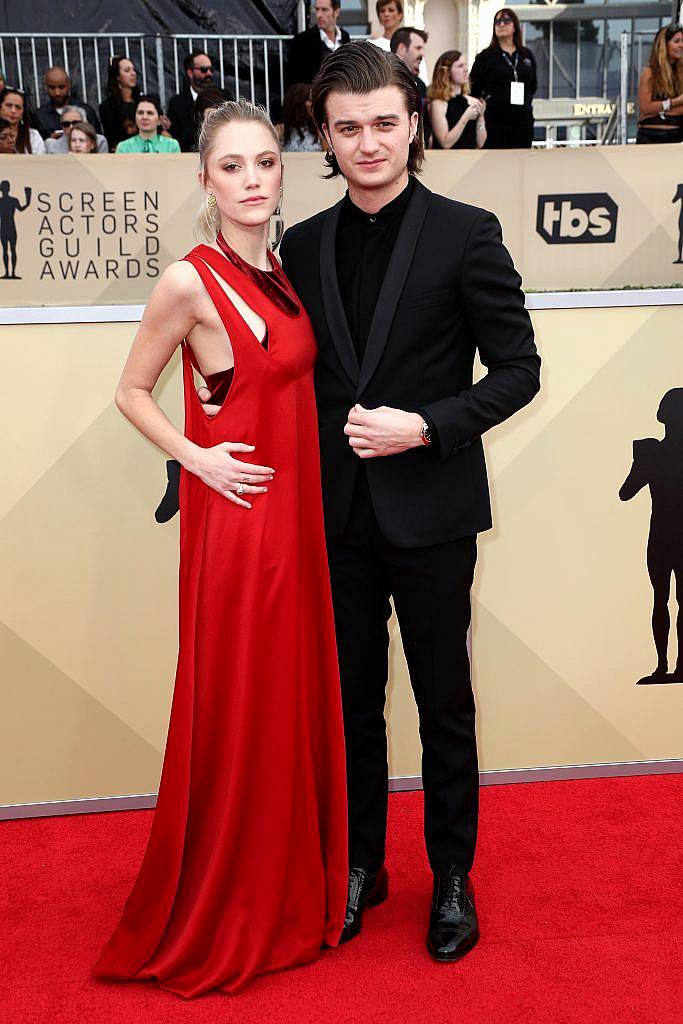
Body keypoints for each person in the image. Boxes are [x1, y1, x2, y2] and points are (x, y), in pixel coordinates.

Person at [249, 43, 537, 961]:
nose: (367, 142)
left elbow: (520, 371)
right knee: (350, 707)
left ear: (413, 124)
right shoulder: (301, 244)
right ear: (324, 139)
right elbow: (282, 374)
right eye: (347, 129)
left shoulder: (467, 230)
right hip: (330, 518)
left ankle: (451, 876)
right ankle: (357, 867)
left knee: (444, 701)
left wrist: (428, 426)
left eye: (383, 123)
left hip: (431, 510)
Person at [91, 99, 348, 997]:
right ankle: (231, 903)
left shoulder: (280, 266)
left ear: (283, 173)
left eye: (266, 163)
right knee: (245, 708)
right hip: (243, 530)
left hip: (297, 523)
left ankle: (284, 892)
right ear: (204, 179)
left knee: (285, 703)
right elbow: (131, 390)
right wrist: (196, 456)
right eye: (233, 166)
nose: (252, 180)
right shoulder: (188, 281)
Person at [619, 389, 683, 684]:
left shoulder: (653, 453)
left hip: (661, 536)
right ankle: (670, 665)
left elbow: (626, 492)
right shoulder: (652, 454)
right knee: (667, 600)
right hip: (666, 536)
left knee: (663, 599)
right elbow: (626, 493)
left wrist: (641, 463)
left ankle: (665, 665)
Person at [470, 8, 537, 149]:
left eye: (506, 20)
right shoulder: (486, 56)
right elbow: (474, 88)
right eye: (497, 22)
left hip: (522, 122)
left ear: (515, 26)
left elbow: (532, 86)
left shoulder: (526, 55)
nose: (501, 25)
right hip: (495, 122)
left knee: (521, 166)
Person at [429, 50, 486, 150]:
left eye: (465, 65)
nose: (466, 69)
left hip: (470, 160)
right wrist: (466, 117)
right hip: (447, 161)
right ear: (446, 72)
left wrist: (481, 117)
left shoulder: (473, 102)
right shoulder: (438, 103)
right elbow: (445, 143)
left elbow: (481, 143)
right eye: (460, 66)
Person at [636, 24, 683, 144]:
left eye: (682, 41)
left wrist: (658, 109)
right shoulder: (649, 72)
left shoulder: (681, 73)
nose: (681, 45)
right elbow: (645, 108)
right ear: (664, 45)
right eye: (676, 41)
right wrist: (675, 102)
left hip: (677, 136)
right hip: (649, 136)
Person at [286, 1, 350, 87]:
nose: (319, 15)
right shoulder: (302, 41)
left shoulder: (345, 37)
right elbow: (295, 81)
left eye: (324, 10)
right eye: (317, 9)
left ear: (336, 12)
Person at [35, 66, 101, 139]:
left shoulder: (85, 111)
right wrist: (49, 142)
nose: (57, 93)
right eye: (52, 88)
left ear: (69, 85)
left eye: (61, 87)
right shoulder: (39, 116)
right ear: (46, 87)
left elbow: (96, 140)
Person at [390, 27, 431, 145]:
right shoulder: (381, 82)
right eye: (418, 48)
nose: (422, 54)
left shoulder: (421, 84)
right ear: (402, 49)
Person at [168, 50, 215, 152]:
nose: (209, 73)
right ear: (190, 72)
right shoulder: (176, 103)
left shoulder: (224, 97)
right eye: (204, 69)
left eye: (211, 69)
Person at [99, 56, 140, 152]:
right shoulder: (108, 107)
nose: (133, 74)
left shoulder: (143, 102)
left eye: (133, 70)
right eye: (127, 70)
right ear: (117, 76)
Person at [115, 95, 181, 153]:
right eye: (140, 113)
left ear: (159, 120)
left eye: (150, 113)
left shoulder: (172, 145)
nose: (144, 117)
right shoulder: (124, 147)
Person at [0, 179, 31, 278]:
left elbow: (21, 209)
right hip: (7, 227)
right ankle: (9, 273)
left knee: (10, 250)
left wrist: (28, 202)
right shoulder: (11, 200)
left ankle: (11, 273)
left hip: (8, 227)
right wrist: (28, 201)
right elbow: (21, 209)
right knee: (8, 250)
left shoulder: (12, 200)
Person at [279, 82, 322, 151]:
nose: (314, 104)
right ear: (298, 103)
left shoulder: (319, 130)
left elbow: (328, 158)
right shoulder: (280, 131)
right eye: (310, 100)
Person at [0, 88, 45, 153]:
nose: (13, 111)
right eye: (9, 105)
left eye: (18, 107)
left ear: (23, 112)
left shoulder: (33, 136)